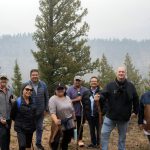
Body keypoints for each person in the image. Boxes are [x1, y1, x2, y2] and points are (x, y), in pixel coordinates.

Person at [100, 66, 139, 150]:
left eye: (123, 72)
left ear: (125, 73)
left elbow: (136, 99)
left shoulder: (130, 86)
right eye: (119, 72)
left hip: (124, 118)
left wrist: (135, 112)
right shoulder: (110, 85)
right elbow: (103, 96)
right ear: (116, 73)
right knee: (104, 134)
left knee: (122, 138)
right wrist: (99, 98)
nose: (121, 73)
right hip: (110, 117)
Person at [49, 83, 76, 150]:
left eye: (62, 89)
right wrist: (56, 121)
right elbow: (52, 113)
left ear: (64, 89)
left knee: (66, 140)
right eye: (58, 89)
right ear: (55, 90)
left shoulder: (68, 98)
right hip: (59, 122)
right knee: (55, 141)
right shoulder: (53, 99)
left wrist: (74, 120)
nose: (60, 90)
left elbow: (72, 109)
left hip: (69, 121)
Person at [11, 83, 36, 150]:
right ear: (22, 90)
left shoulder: (33, 102)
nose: (29, 91)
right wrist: (20, 122)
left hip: (30, 128)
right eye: (27, 89)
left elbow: (34, 114)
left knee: (28, 146)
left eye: (31, 90)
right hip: (21, 128)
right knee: (22, 145)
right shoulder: (17, 102)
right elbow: (12, 116)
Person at [28, 69, 49, 150]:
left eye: (36, 74)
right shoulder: (26, 85)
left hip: (41, 111)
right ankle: (28, 143)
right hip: (30, 112)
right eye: (33, 75)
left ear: (38, 75)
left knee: (39, 128)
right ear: (30, 76)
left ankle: (38, 143)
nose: (35, 76)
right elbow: (23, 98)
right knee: (29, 128)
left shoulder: (43, 84)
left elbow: (46, 97)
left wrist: (46, 109)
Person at [82, 76, 105, 148]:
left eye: (95, 81)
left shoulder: (102, 92)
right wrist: (85, 114)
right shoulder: (86, 93)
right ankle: (93, 143)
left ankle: (99, 143)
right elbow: (83, 103)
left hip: (99, 115)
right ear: (90, 83)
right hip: (89, 115)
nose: (93, 82)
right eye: (92, 81)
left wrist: (102, 113)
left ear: (98, 83)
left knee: (99, 130)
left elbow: (106, 104)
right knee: (91, 130)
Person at [67, 76, 87, 147]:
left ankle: (79, 140)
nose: (77, 82)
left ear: (81, 81)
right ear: (74, 80)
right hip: (72, 112)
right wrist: (76, 99)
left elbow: (87, 99)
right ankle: (70, 139)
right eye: (76, 80)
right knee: (71, 126)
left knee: (80, 126)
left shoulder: (85, 90)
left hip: (82, 112)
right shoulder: (69, 90)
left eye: (79, 80)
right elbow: (67, 101)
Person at [0, 73, 13, 150]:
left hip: (9, 119)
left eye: (5, 79)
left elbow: (11, 100)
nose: (3, 80)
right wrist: (0, 118)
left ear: (7, 80)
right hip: (1, 119)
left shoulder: (10, 89)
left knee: (7, 136)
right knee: (3, 137)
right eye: (2, 79)